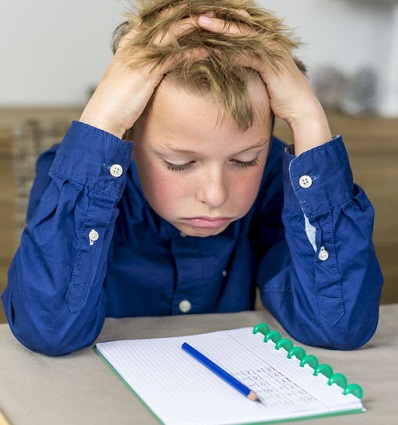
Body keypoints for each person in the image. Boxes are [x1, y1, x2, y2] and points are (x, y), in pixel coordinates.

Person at [2, 0, 383, 356]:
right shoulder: (72, 178)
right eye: (180, 163)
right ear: (129, 134)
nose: (216, 195)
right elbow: (48, 329)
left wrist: (308, 117)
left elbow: (340, 326)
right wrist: (103, 116)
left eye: (245, 159)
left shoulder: (277, 183)